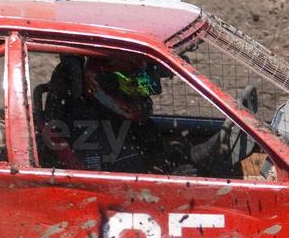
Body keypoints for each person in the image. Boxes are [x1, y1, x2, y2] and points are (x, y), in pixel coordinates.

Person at [38, 53, 194, 174]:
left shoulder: (134, 125)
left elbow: (155, 157)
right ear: (106, 83)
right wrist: (170, 179)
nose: (141, 93)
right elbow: (116, 187)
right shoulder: (86, 129)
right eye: (133, 85)